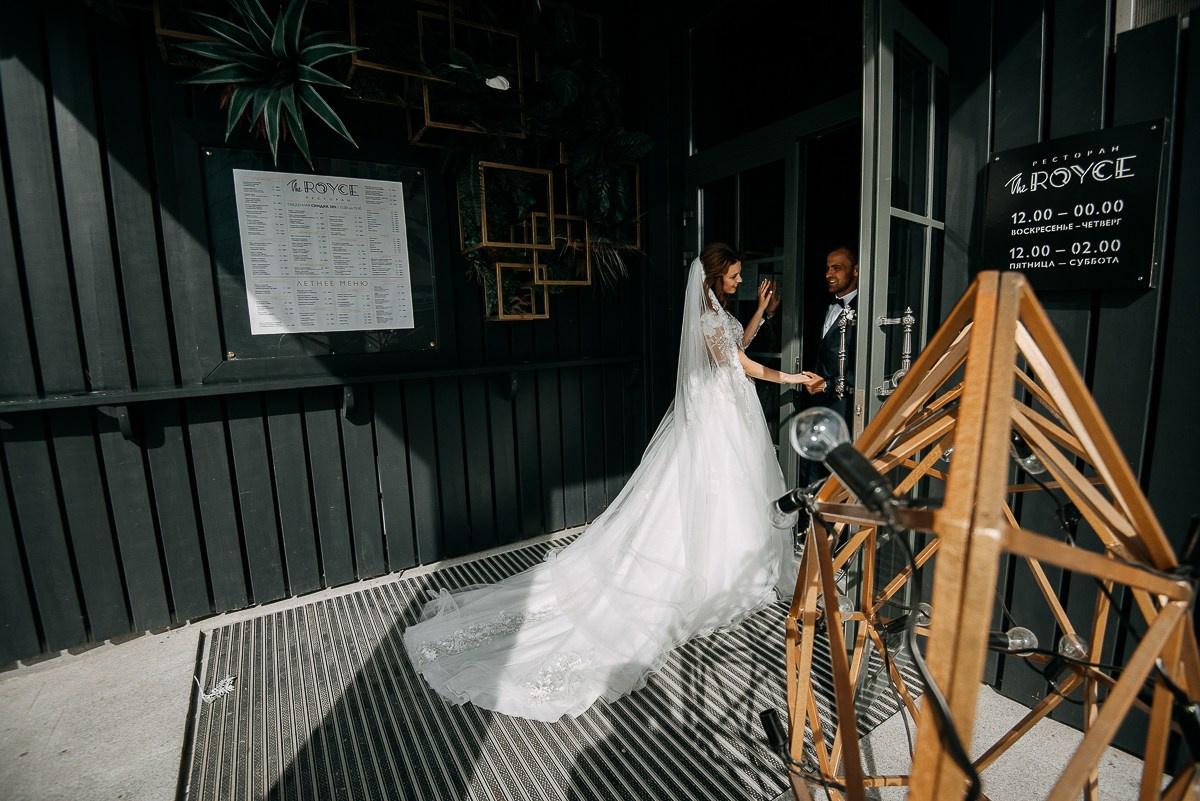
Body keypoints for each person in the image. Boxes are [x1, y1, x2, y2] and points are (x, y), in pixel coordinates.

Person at [403, 242, 817, 722]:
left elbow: (736, 346)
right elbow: (739, 363)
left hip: (728, 412)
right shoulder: (707, 318)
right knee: (712, 494)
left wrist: (761, 312)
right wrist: (793, 379)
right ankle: (712, 576)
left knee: (728, 497)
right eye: (734, 276)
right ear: (713, 277)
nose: (740, 281)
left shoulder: (716, 314)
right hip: (720, 418)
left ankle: (729, 567)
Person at [797, 245, 860, 485]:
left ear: (855, 271)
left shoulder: (866, 311)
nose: (829, 274)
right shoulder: (819, 306)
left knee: (835, 475)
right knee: (810, 469)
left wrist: (827, 385)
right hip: (813, 405)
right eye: (827, 268)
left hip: (844, 407)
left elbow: (865, 368)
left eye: (837, 268)